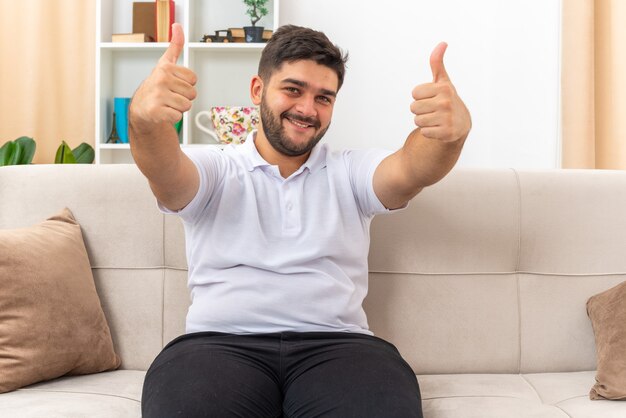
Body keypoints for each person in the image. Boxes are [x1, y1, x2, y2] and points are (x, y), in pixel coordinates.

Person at [130, 22, 470, 418]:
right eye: (293, 90)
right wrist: (145, 121)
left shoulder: (351, 172)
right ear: (258, 90)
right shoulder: (216, 169)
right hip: (217, 346)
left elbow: (412, 169)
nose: (308, 109)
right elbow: (166, 173)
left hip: (340, 348)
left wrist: (447, 137)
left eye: (323, 98)